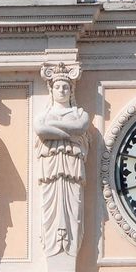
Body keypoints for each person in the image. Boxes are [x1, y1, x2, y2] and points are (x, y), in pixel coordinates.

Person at [35, 63, 91, 258]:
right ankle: (57, 248)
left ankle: (67, 248)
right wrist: (68, 133)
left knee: (73, 206)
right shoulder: (44, 115)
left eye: (66, 87)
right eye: (58, 86)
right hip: (51, 168)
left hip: (72, 168)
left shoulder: (80, 114)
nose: (62, 90)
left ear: (71, 89)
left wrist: (55, 130)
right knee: (51, 207)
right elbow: (41, 129)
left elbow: (80, 127)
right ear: (51, 89)